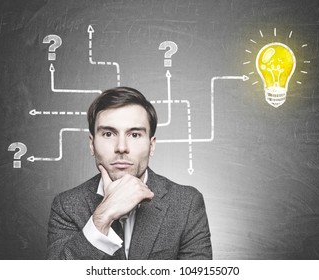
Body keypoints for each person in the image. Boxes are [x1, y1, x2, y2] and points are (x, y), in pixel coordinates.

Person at [47, 87, 212, 259]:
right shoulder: (66, 206)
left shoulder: (187, 203)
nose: (121, 147)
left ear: (152, 145)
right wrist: (103, 216)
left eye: (134, 135)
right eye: (108, 134)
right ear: (92, 144)